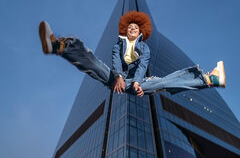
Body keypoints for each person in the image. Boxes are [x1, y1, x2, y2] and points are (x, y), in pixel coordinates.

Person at [38, 11, 225, 97]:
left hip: (139, 83)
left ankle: (208, 80)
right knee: (94, 63)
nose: (133, 29)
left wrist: (137, 83)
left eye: (136, 27)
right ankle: (60, 47)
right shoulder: (118, 45)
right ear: (125, 31)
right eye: (130, 27)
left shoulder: (144, 48)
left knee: (163, 82)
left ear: (141, 31)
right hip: (115, 79)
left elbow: (143, 65)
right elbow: (114, 61)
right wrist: (118, 76)